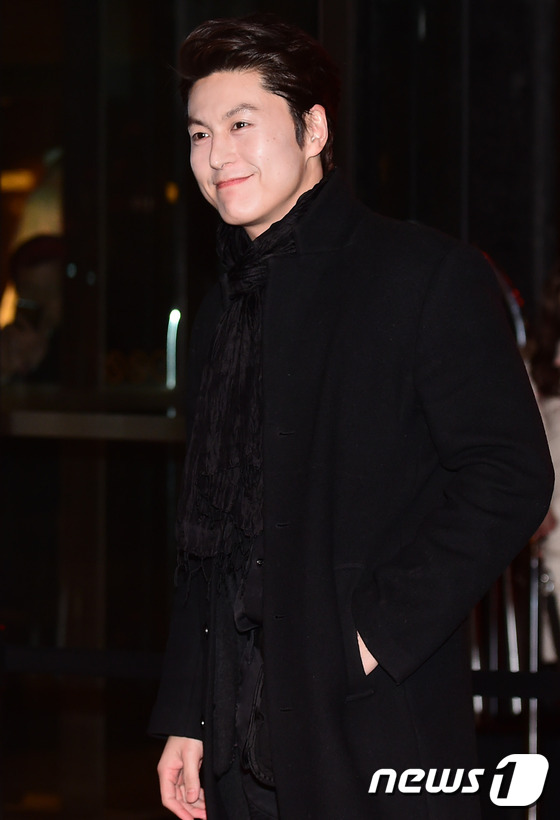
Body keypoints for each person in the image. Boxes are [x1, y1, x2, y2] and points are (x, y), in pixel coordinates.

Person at [149, 14, 553, 820]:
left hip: (368, 726)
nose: (217, 155)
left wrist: (370, 637)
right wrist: (187, 715)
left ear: (314, 130)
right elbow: (208, 542)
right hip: (234, 737)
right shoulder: (221, 313)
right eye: (199, 133)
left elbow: (510, 475)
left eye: (241, 124)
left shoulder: (421, 275)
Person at [0, 234, 64, 384]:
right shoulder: (9, 343)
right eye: (32, 292)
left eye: (50, 290)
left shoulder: (81, 351)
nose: (42, 301)